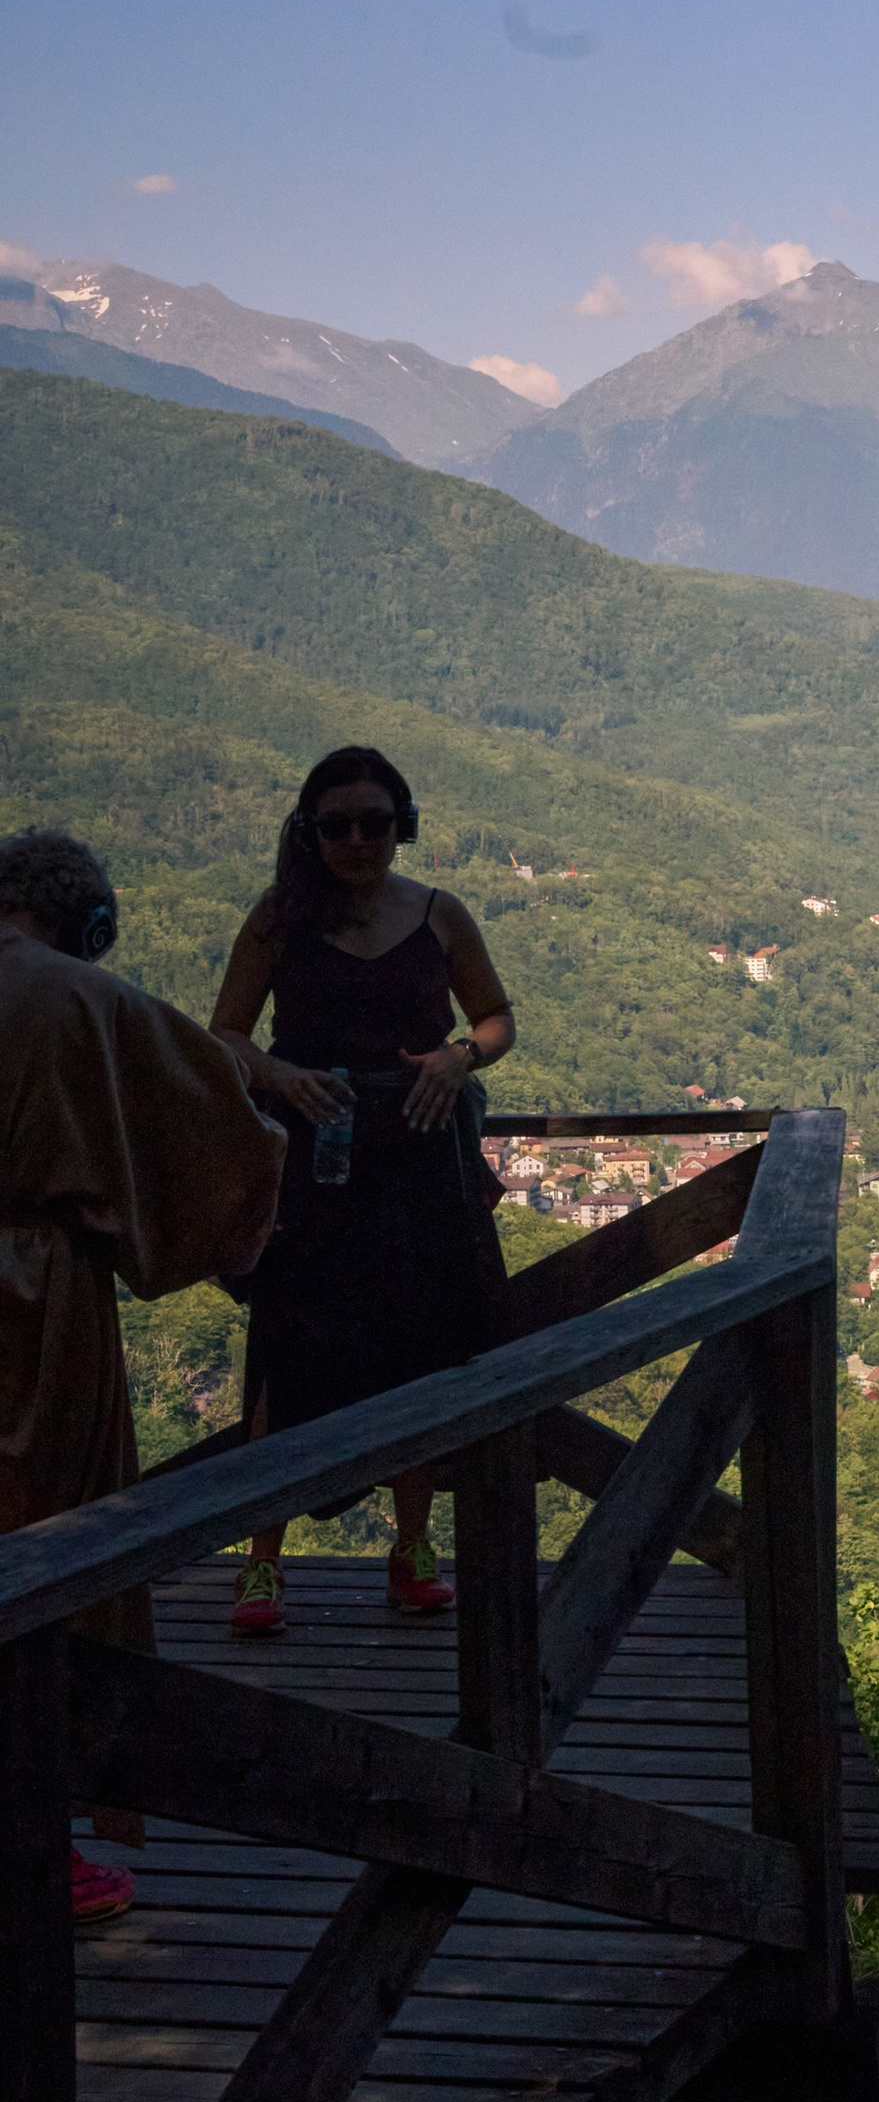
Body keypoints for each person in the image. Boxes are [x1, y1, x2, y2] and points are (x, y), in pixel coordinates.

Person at [0, 826, 284, 1921]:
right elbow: (215, 1117)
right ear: (89, 920)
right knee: (55, 1551)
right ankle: (42, 1841)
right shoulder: (81, 999)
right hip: (36, 1311)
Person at [210, 747, 516, 1635]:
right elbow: (226, 1033)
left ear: (402, 824)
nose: (356, 840)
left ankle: (412, 1549)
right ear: (310, 833)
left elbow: (495, 1019)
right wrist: (278, 1074)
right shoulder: (277, 921)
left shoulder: (440, 916)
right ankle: (260, 1561)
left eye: (374, 823)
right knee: (284, 1351)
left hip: (419, 1165)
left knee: (415, 1351)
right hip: (311, 1170)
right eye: (335, 825)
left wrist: (461, 1057)